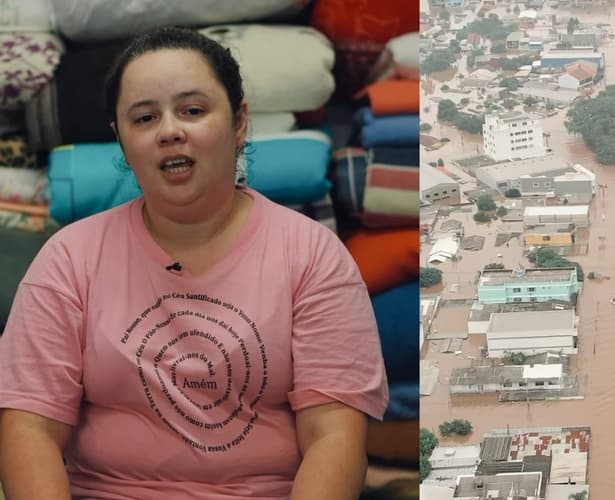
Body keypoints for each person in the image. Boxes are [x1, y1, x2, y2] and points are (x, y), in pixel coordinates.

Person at [0, 27, 388, 500]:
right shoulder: (69, 258)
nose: (169, 131)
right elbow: (29, 428)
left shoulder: (313, 257)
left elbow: (334, 436)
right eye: (144, 118)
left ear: (239, 121)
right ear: (120, 140)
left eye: (193, 110)